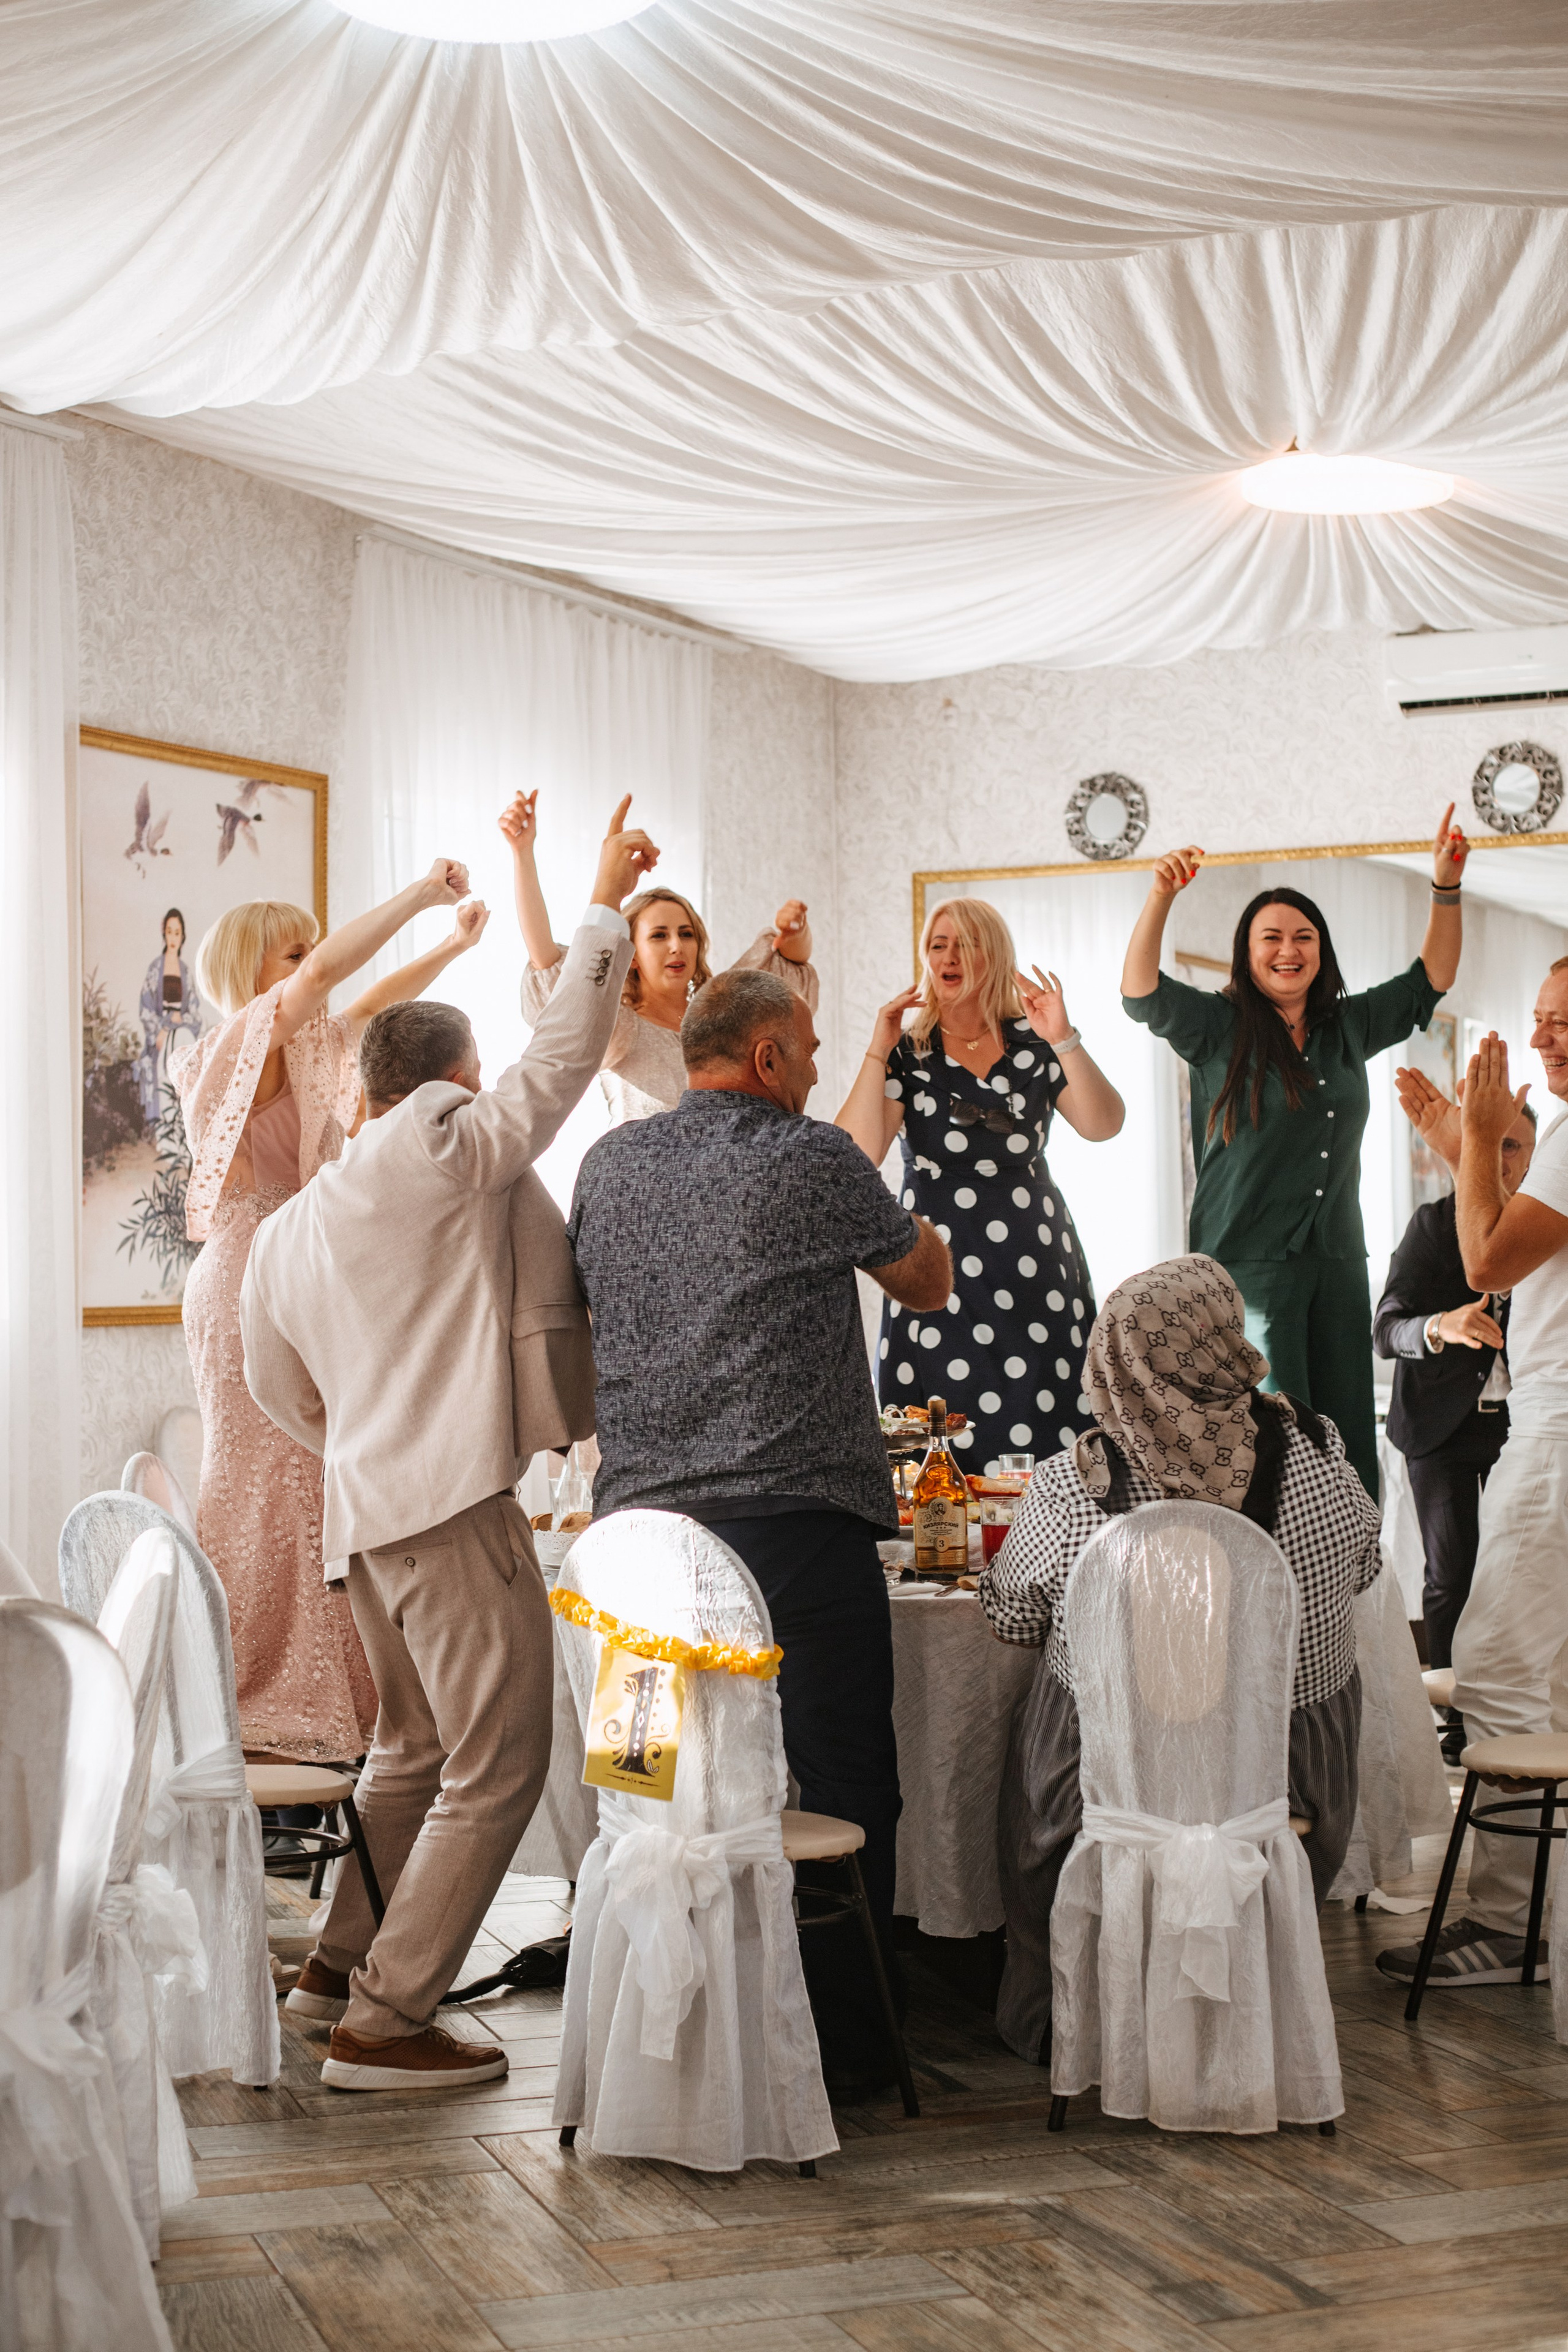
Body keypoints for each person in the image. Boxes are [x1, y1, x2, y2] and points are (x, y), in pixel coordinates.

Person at [240, 805, 653, 2090]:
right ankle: (386, 2018)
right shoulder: (440, 1148)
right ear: (450, 1084)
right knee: (502, 1761)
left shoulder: (294, 1223)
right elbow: (568, 1052)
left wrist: (369, 1436)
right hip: (447, 1510)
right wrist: (599, 900)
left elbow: (275, 1394)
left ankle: (328, 1973)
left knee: (410, 1754)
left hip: (358, 1516)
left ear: (360, 1089)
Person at [567, 966, 952, 2100]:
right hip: (792, 1530)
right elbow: (924, 1283)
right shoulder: (815, 1158)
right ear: (771, 1059)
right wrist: (912, 1214)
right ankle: (843, 2051)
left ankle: (651, 2030)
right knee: (839, 1782)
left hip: (636, 1546)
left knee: (639, 1779)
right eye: (816, 1048)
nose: (825, 1065)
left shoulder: (606, 1164)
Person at [979, 1253, 1382, 2062]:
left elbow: (1012, 1619)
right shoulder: (1316, 1448)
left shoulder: (1076, 1485)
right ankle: (1258, 2011)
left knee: (1058, 1699)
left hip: (1114, 1779)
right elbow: (1365, 1568)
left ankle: (1070, 2018)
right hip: (1283, 1772)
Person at [175, 865, 488, 1762]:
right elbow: (323, 985)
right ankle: (266, 1694)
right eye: (298, 951)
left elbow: (374, 999)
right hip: (245, 1272)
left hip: (291, 1267)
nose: (317, 964)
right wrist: (422, 895)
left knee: (310, 1477)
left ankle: (327, 1697)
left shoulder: (304, 1045)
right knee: (268, 1478)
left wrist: (452, 947)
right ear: (257, 971)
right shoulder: (234, 1047)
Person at [1120, 809, 1467, 1498]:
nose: (1288, 950)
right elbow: (1140, 993)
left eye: (1303, 937)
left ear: (1321, 950)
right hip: (1246, 1266)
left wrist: (1445, 886)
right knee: (1271, 1437)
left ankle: (1350, 1588)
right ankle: (1274, 1586)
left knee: (1342, 1440)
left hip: (1336, 1260)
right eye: (1270, 937)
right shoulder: (1217, 1026)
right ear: (1247, 952)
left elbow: (1431, 978)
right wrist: (1160, 896)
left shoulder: (1346, 1027)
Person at [1378, 963, 1568, 1989]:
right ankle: (1542, 1921)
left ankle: (1507, 1925)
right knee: (1550, 1681)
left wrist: (1473, 1140)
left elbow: (1489, 1258)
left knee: (1492, 1666)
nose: (1546, 1036)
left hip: (1556, 1431)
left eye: (1565, 1022)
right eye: (1540, 1019)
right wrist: (1471, 1143)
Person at [837, 897, 1125, 1473]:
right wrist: (878, 1045)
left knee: (1046, 1402)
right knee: (948, 1415)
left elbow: (1104, 1123)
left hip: (1035, 1260)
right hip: (934, 1266)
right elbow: (855, 1155)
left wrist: (1064, 1036)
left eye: (964, 944)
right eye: (937, 945)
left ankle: (1051, 1539)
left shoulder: (1035, 1044)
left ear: (993, 954)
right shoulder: (909, 1055)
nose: (948, 956)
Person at [1374, 1101, 1537, 1757]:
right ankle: (1455, 1724)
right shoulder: (1433, 1226)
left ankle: (1516, 1703)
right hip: (1439, 1427)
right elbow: (1386, 1327)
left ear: (1535, 1156)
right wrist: (1442, 1328)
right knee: (1452, 1572)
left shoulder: (1546, 1228)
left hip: (1523, 1424)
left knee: (1517, 1569)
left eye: (1515, 1147)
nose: (1502, 1161)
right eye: (1490, 1145)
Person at [505, 787, 817, 1121]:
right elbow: (550, 966)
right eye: (658, 936)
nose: (676, 946)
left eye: (686, 934)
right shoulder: (620, 1028)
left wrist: (798, 931)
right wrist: (523, 854)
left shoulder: (729, 1016)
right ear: (632, 956)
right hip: (643, 1172)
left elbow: (791, 964)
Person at [137, 907, 203, 1128]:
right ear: (163, 933)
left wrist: (177, 1021)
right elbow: (146, 1008)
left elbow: (193, 1012)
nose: (173, 937)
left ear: (182, 936)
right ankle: (163, 1124)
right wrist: (162, 1028)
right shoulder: (155, 969)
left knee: (184, 1049)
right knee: (162, 1060)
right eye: (169, 931)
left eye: (177, 932)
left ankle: (184, 1122)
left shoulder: (186, 972)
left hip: (180, 1029)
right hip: (159, 1032)